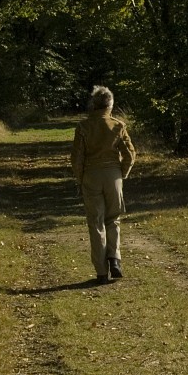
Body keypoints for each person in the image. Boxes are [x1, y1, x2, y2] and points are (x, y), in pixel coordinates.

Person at [71, 85, 136, 283]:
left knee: (96, 222)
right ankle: (114, 259)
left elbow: (77, 158)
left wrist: (80, 179)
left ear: (94, 104)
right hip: (113, 175)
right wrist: (122, 174)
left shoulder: (83, 127)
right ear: (110, 105)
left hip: (91, 175)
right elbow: (130, 154)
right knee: (113, 218)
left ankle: (101, 271)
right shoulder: (118, 125)